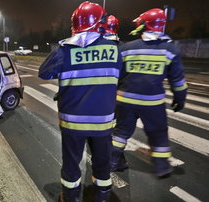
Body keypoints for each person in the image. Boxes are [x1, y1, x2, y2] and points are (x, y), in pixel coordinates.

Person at [38, 2, 122, 201]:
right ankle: (101, 196)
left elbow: (44, 73)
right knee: (102, 161)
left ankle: (71, 197)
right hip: (103, 122)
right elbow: (122, 78)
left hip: (73, 122)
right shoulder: (115, 49)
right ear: (99, 23)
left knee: (71, 162)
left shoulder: (64, 50)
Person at [110, 8, 188, 177]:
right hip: (152, 103)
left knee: (121, 132)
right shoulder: (169, 50)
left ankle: (112, 161)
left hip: (125, 100)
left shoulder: (127, 48)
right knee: (158, 133)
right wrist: (180, 98)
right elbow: (178, 80)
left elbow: (116, 74)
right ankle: (161, 167)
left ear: (143, 26)